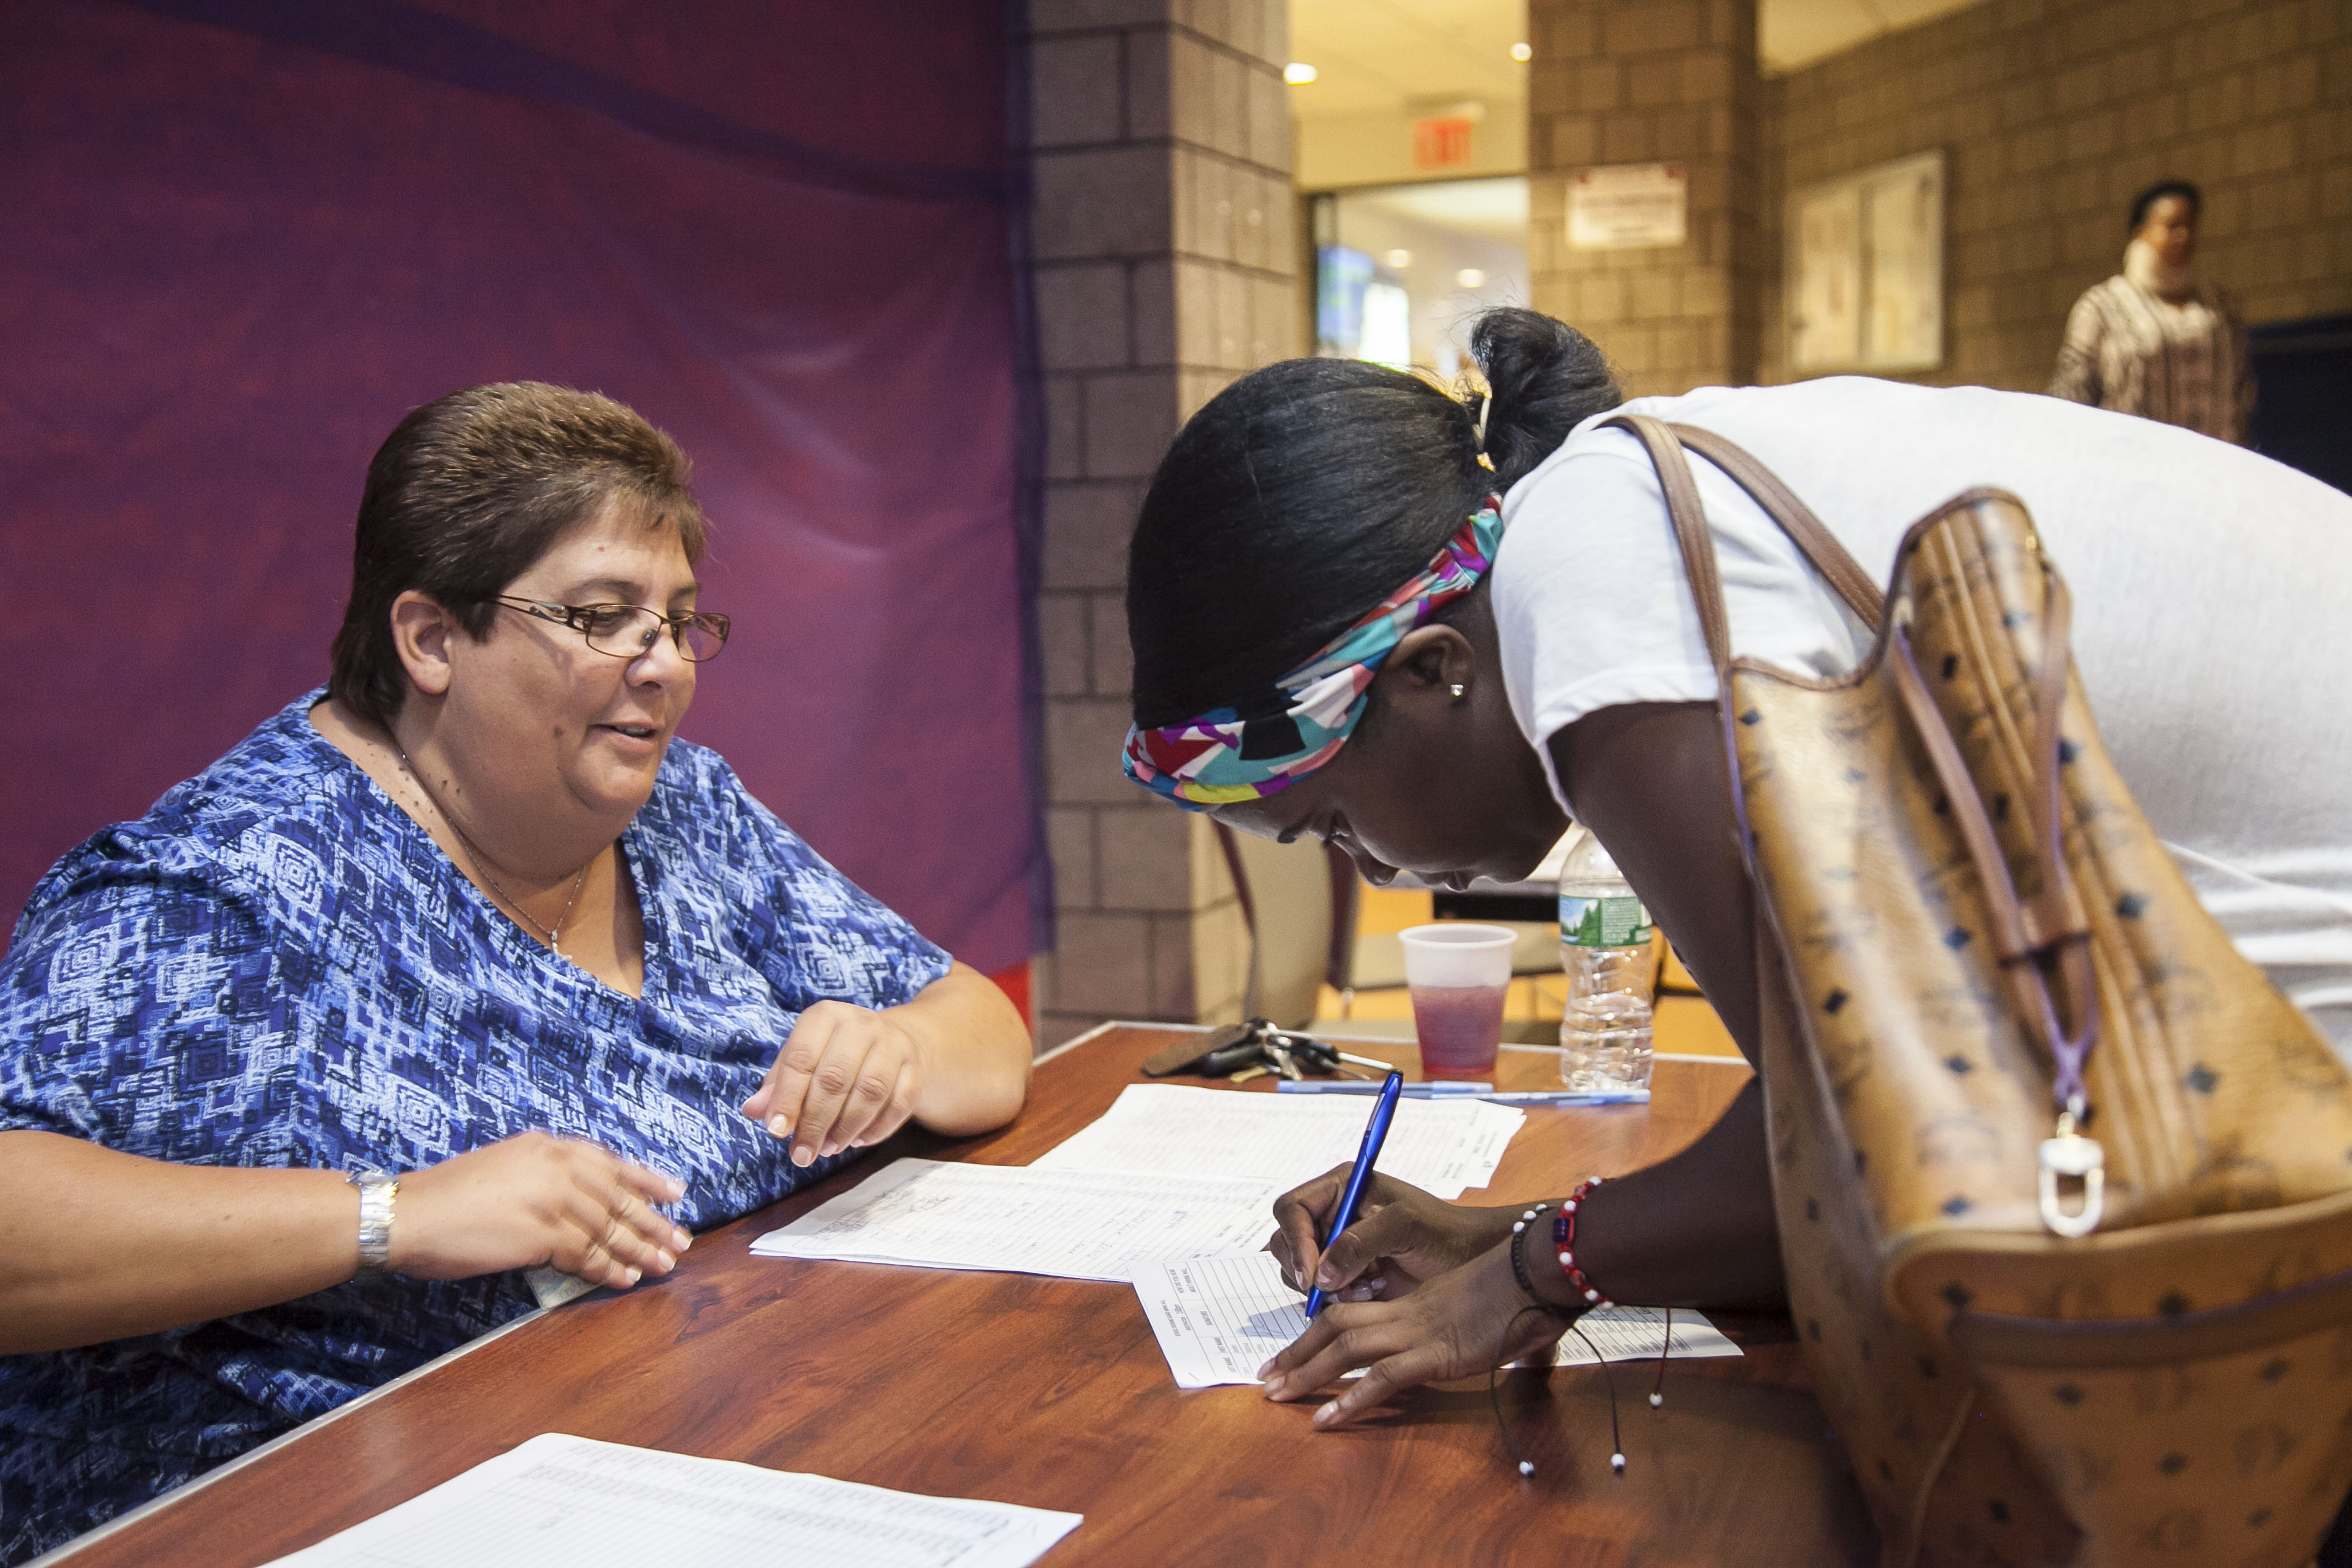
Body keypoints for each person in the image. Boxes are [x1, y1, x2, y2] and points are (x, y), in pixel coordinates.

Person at [1118, 309, 2352, 1429]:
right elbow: (1845, 1146)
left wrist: (1528, 1274)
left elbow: (1867, 1157)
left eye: (1336, 823)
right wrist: (1500, 1240)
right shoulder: (1627, 503)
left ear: (1433, 671)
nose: (1377, 875)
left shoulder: (1591, 596)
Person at [0, 384, 1031, 1562]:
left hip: (726, 1429)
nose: (663, 667)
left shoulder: (688, 812)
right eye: (604, 616)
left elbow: (981, 1033)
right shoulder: (234, 884)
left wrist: (895, 1049)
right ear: (432, 638)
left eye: (679, 620)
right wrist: (393, 1215)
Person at [2049, 178, 2253, 443]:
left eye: (2190, 226)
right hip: (2134, 467)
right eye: (2172, 226)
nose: (2184, 235)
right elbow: (2070, 397)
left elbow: (2243, 396)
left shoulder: (2221, 308)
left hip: (2213, 470)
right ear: (2140, 232)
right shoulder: (2102, 307)